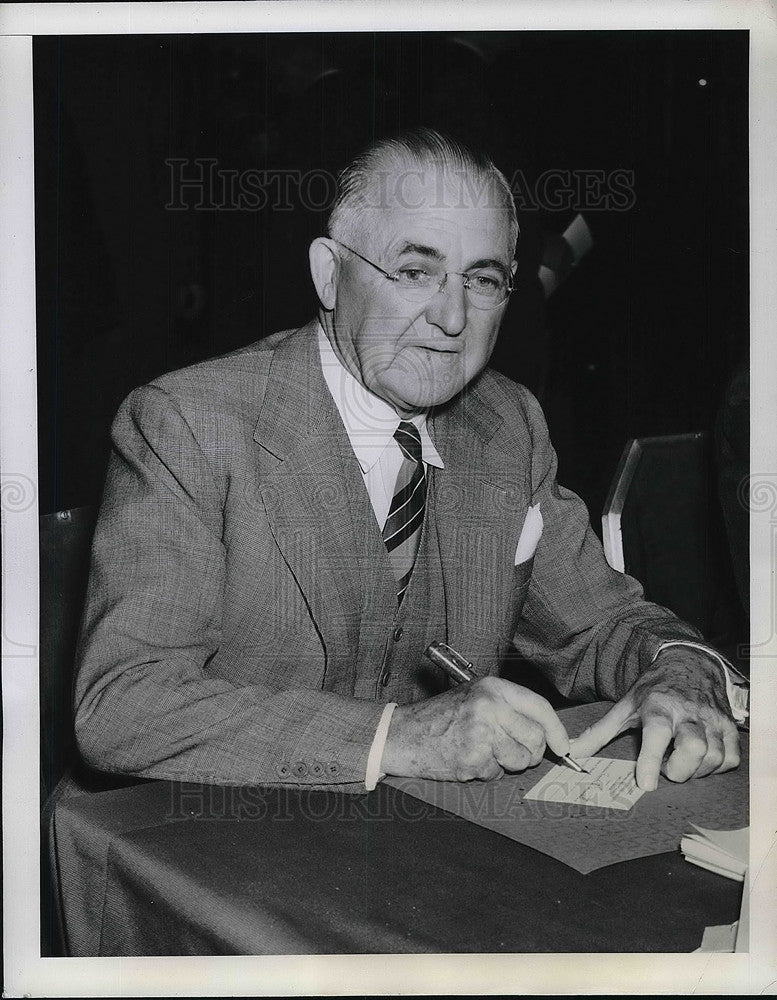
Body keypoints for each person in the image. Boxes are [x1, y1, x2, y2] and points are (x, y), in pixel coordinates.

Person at [73, 129, 746, 796]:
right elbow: (124, 704)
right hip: (203, 842)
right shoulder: (190, 421)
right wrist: (400, 736)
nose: (452, 318)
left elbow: (601, 623)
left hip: (422, 851)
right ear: (330, 274)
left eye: (481, 279)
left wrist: (680, 669)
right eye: (415, 271)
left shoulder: (506, 423)